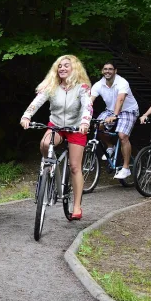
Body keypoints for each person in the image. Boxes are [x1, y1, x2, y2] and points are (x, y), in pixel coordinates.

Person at [20, 55, 92, 219]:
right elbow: (37, 102)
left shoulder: (83, 87)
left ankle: (77, 206)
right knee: (45, 144)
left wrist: (85, 122)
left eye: (66, 65)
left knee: (75, 167)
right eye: (60, 66)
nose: (62, 68)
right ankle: (49, 171)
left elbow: (88, 106)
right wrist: (26, 116)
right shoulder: (52, 86)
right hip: (56, 125)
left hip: (76, 128)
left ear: (74, 68)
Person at [90, 61, 139, 180]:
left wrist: (115, 115)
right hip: (110, 110)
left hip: (128, 110)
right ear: (102, 71)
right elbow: (90, 100)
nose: (107, 71)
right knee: (98, 126)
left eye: (110, 69)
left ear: (115, 71)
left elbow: (120, 99)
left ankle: (126, 168)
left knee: (122, 136)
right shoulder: (98, 84)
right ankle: (110, 146)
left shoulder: (122, 82)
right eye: (105, 69)